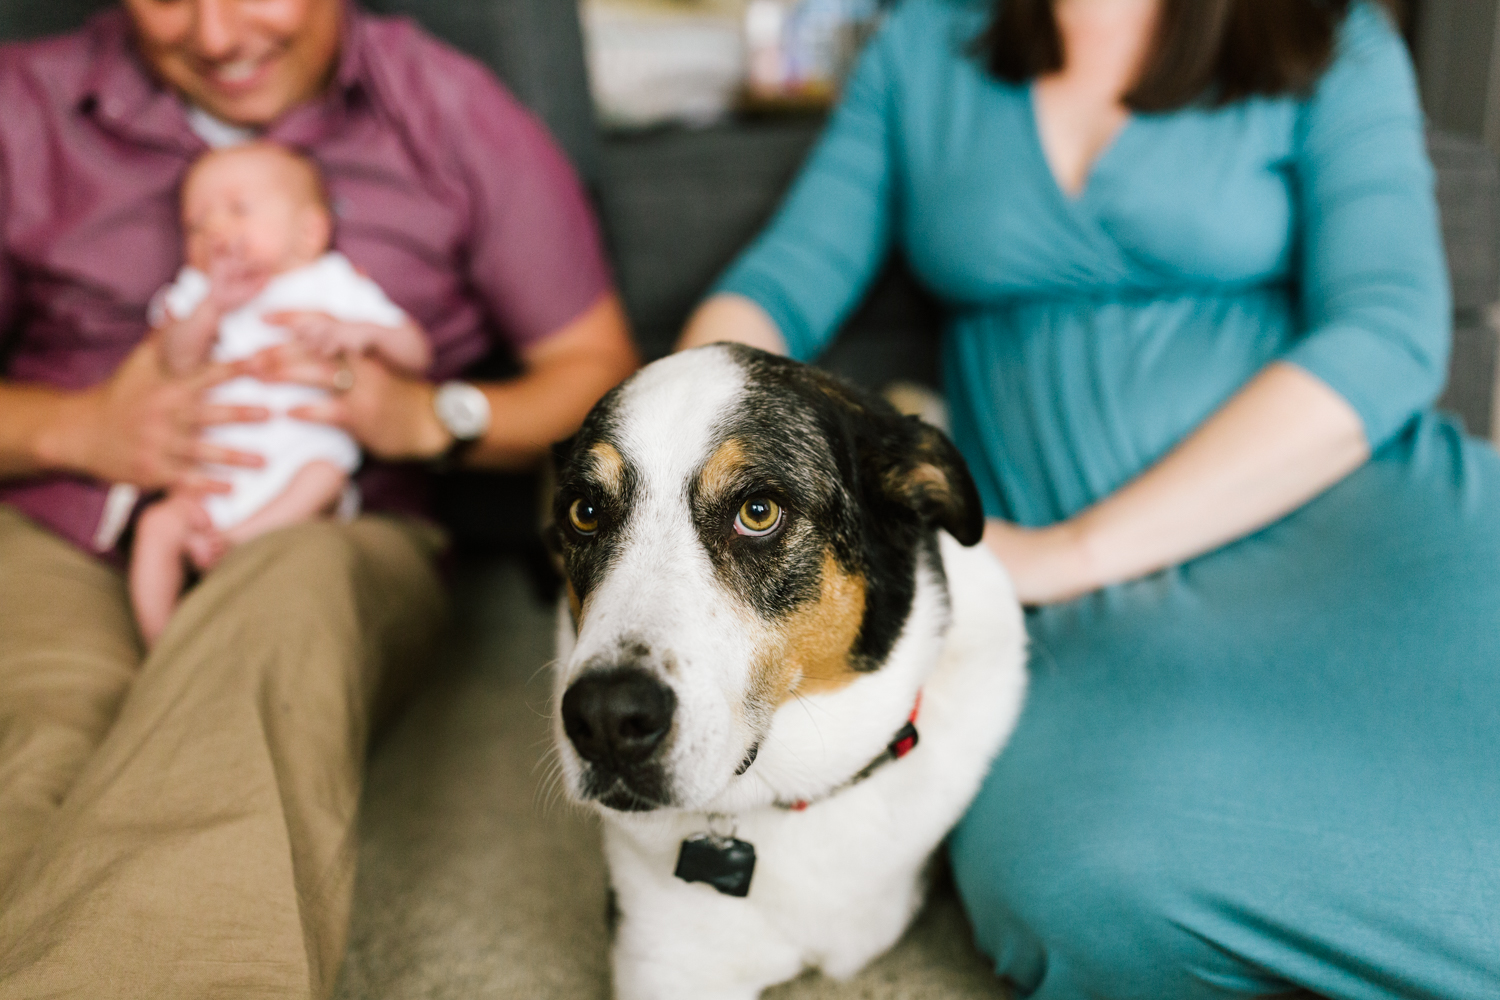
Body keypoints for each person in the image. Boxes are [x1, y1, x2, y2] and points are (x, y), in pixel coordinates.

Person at [680, 0, 1500, 996]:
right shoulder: (925, 48)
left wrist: (1070, 549)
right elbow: (780, 283)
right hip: (1068, 612)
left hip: (1346, 515)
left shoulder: (1331, 37)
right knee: (1080, 879)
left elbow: (1390, 327)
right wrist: (671, 450)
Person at [0, 0, 638, 994]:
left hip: (332, 519)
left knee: (246, 699)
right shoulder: (21, 105)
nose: (215, 38)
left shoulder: (445, 108)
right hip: (65, 515)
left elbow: (596, 370)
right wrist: (76, 428)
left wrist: (432, 416)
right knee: (37, 739)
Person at [131, 142, 434, 644]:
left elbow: (416, 351)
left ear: (308, 232)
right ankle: (159, 645)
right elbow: (175, 358)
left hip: (299, 470)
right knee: (156, 528)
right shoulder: (194, 291)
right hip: (212, 483)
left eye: (237, 210)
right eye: (196, 224)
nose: (214, 231)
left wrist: (363, 333)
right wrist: (210, 308)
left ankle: (239, 540)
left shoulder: (331, 284)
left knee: (326, 475)